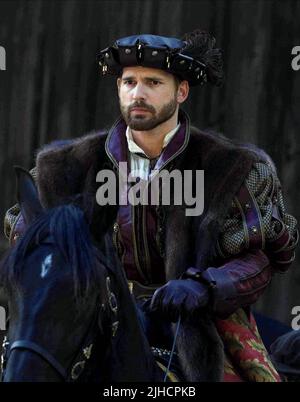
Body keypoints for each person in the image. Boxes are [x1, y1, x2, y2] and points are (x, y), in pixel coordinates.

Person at [4, 30, 298, 381]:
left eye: (153, 82)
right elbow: (33, 248)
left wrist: (205, 286)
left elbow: (261, 256)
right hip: (91, 314)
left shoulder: (230, 168)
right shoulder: (64, 169)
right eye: (129, 82)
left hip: (200, 318)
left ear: (182, 91)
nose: (138, 93)